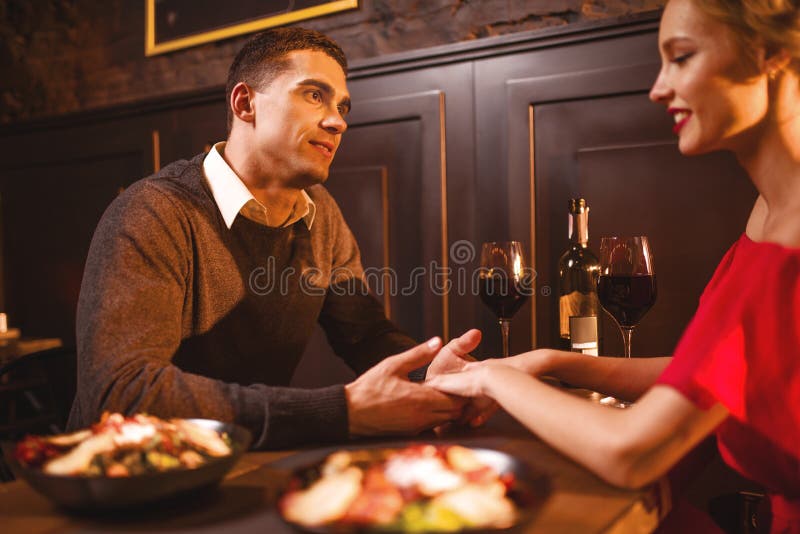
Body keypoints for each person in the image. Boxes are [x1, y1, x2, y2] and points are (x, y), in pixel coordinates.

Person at [427, 0, 800, 531]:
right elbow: (704, 378)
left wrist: (490, 377)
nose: (658, 88)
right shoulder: (769, 211)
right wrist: (546, 362)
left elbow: (631, 453)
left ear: (770, 54)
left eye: (682, 57)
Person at [69, 27, 483, 449]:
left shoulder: (320, 213)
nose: (338, 121)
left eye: (342, 105)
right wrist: (340, 411)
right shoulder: (153, 211)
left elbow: (366, 335)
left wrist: (431, 376)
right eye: (313, 95)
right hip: (125, 479)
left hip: (242, 465)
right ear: (246, 103)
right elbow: (121, 393)